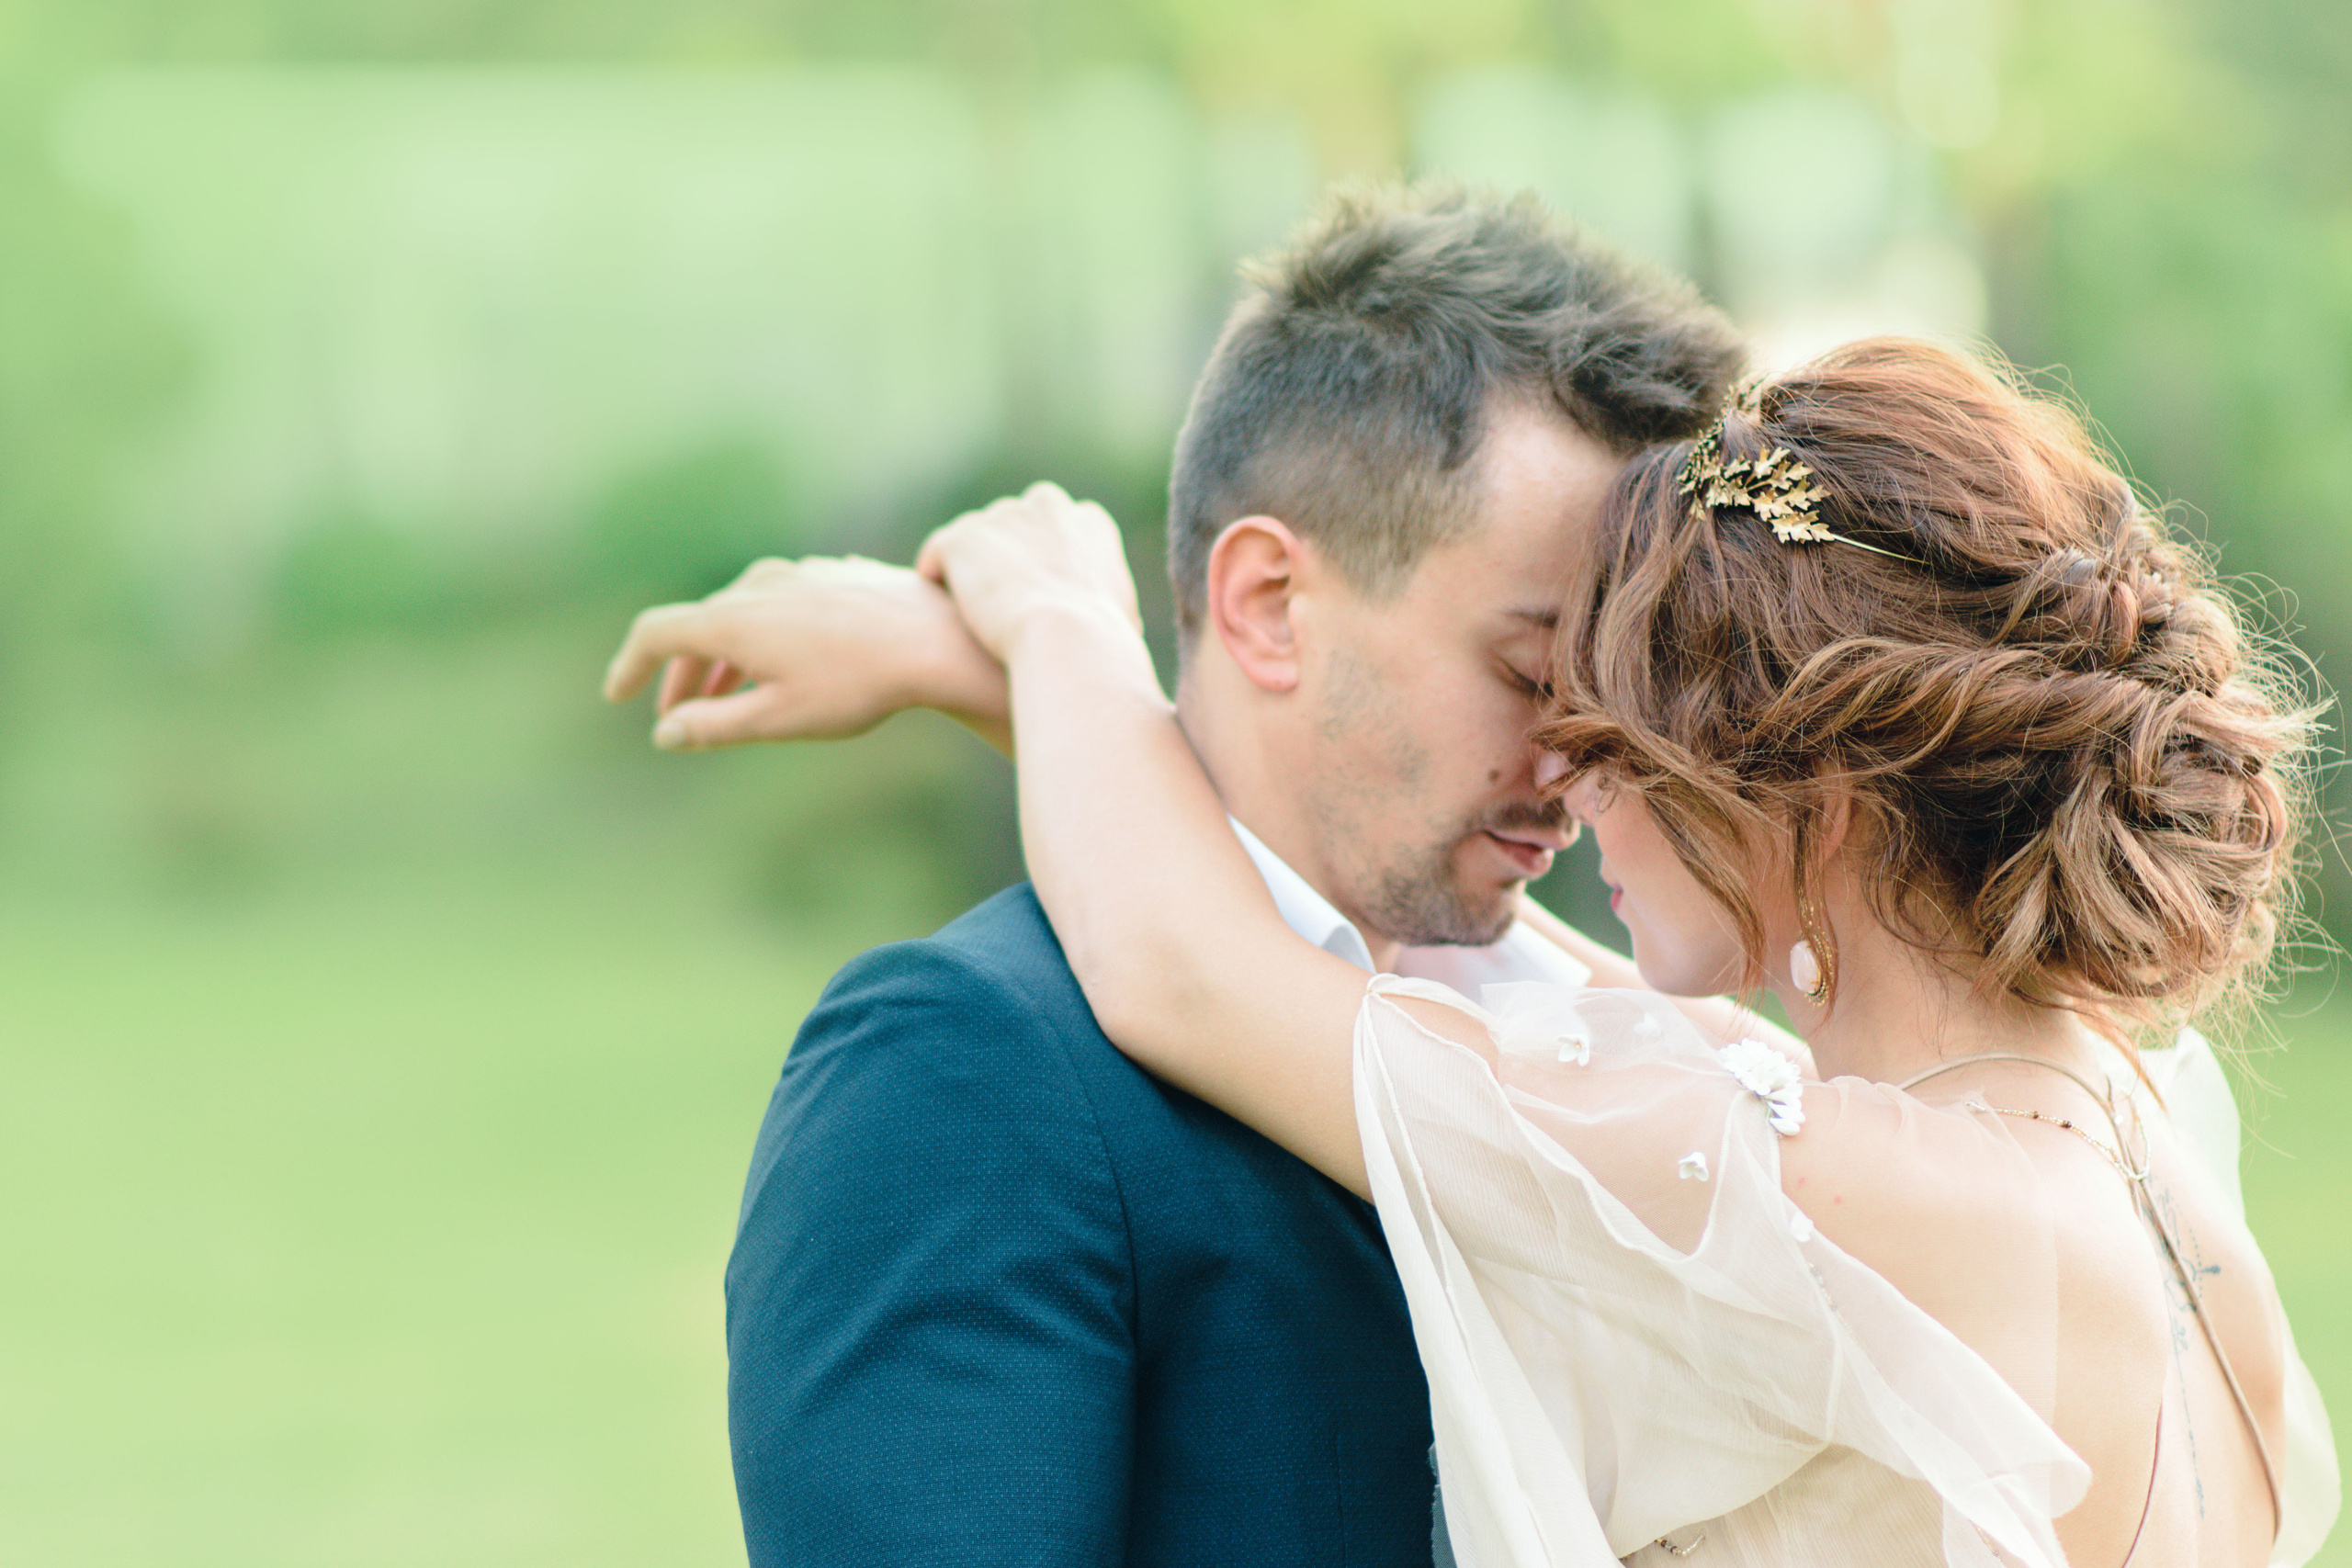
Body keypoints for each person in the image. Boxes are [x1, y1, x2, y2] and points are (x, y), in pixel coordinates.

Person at [700, 340, 2338, 1563]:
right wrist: (1088, 710)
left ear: (1809, 802)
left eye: (1607, 727)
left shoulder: (1817, 1179)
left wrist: (1052, 610)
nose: (1569, 780)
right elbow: (1538, 1013)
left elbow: (1198, 975)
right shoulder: (2134, 1142)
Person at [605, 186, 1761, 1567]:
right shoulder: (965, 1071)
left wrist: (1041, 661)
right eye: (1529, 674)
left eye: (1625, 703)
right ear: (1268, 604)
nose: (1588, 767)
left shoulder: (1628, 1054)